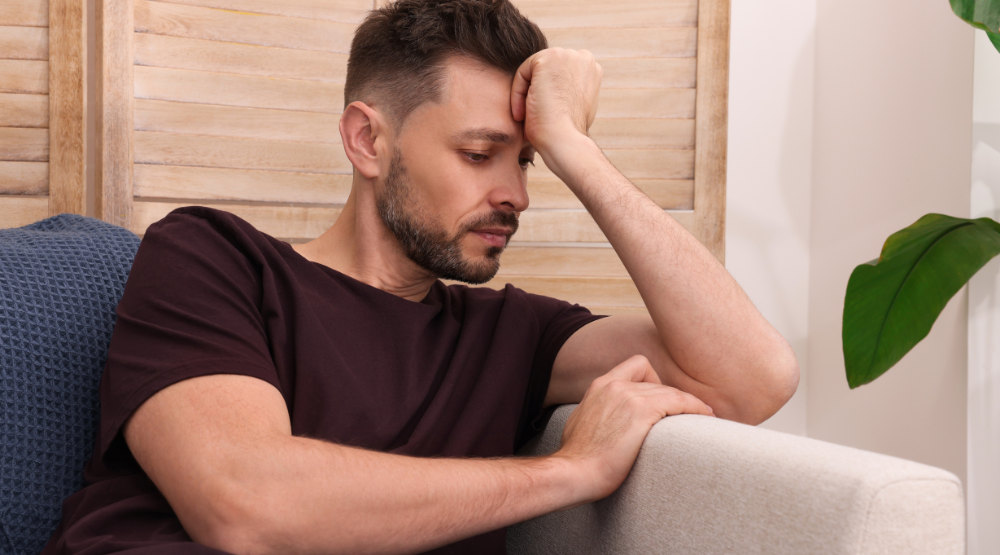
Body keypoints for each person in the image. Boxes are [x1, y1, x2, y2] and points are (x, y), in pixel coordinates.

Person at [42, 1, 798, 554]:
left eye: (526, 160)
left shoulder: (513, 335)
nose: (517, 194)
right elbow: (244, 504)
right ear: (368, 139)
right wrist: (569, 472)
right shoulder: (214, 258)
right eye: (479, 154)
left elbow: (754, 378)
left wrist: (573, 143)